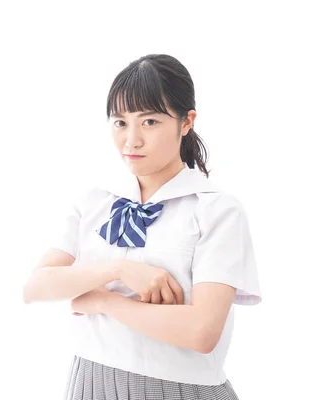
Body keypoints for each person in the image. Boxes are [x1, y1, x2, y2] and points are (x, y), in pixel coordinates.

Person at [22, 54, 262, 400]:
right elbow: (35, 287)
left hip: (181, 391)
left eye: (149, 122)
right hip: (89, 386)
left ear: (186, 121)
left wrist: (105, 303)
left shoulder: (216, 210)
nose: (131, 140)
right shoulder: (95, 201)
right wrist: (119, 269)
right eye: (120, 123)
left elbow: (202, 331)